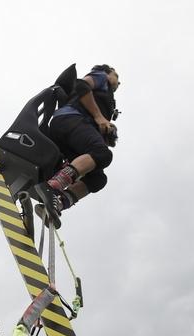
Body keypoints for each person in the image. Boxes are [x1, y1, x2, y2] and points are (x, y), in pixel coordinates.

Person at [35, 64, 121, 228]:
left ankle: (57, 202)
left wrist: (106, 132)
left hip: (76, 130)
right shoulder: (102, 78)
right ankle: (52, 187)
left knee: (98, 179)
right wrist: (99, 117)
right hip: (69, 120)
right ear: (108, 72)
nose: (118, 82)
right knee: (102, 154)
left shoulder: (107, 100)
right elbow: (82, 85)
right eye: (117, 76)